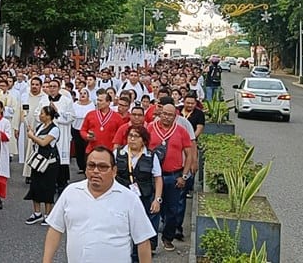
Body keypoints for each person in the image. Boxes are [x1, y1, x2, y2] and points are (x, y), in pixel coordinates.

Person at [43, 146, 156, 263]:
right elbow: (55, 229)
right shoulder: (71, 192)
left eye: (102, 167)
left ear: (114, 171)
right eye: (91, 166)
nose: (96, 171)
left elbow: (143, 241)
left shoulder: (129, 199)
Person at [147, 103, 192, 252]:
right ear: (160, 113)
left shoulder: (181, 131)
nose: (166, 117)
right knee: (153, 210)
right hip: (153, 178)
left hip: (174, 176)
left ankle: (168, 238)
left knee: (173, 211)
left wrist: (184, 176)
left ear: (175, 116)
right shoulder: (150, 128)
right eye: (164, 113)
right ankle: (152, 243)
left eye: (170, 115)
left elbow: (189, 155)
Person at [114, 126, 163, 260]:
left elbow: (158, 178)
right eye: (130, 136)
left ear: (144, 140)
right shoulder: (118, 153)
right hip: (121, 197)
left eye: (136, 136)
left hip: (143, 198)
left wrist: (157, 199)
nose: (132, 139)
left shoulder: (151, 156)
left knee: (140, 231)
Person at [24, 106, 61, 226]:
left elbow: (44, 142)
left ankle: (48, 214)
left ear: (49, 116)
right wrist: (32, 133)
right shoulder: (40, 127)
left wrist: (32, 136)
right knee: (35, 185)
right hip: (38, 161)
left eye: (42, 114)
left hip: (49, 163)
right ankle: (37, 213)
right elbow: (37, 140)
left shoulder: (54, 129)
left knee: (47, 187)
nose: (40, 115)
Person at [38, 79, 74, 193]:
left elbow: (72, 117)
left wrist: (57, 112)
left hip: (61, 133)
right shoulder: (43, 100)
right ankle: (49, 183)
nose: (52, 89)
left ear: (59, 88)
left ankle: (61, 183)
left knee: (60, 159)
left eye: (54, 86)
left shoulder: (66, 101)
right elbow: (36, 114)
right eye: (50, 86)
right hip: (47, 133)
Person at [72, 88, 95, 173]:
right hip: (76, 129)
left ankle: (88, 166)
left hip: (87, 130)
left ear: (88, 95)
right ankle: (81, 166)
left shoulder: (92, 105)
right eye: (81, 93)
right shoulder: (75, 104)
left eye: (85, 93)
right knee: (79, 149)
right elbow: (73, 115)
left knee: (87, 148)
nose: (82, 95)